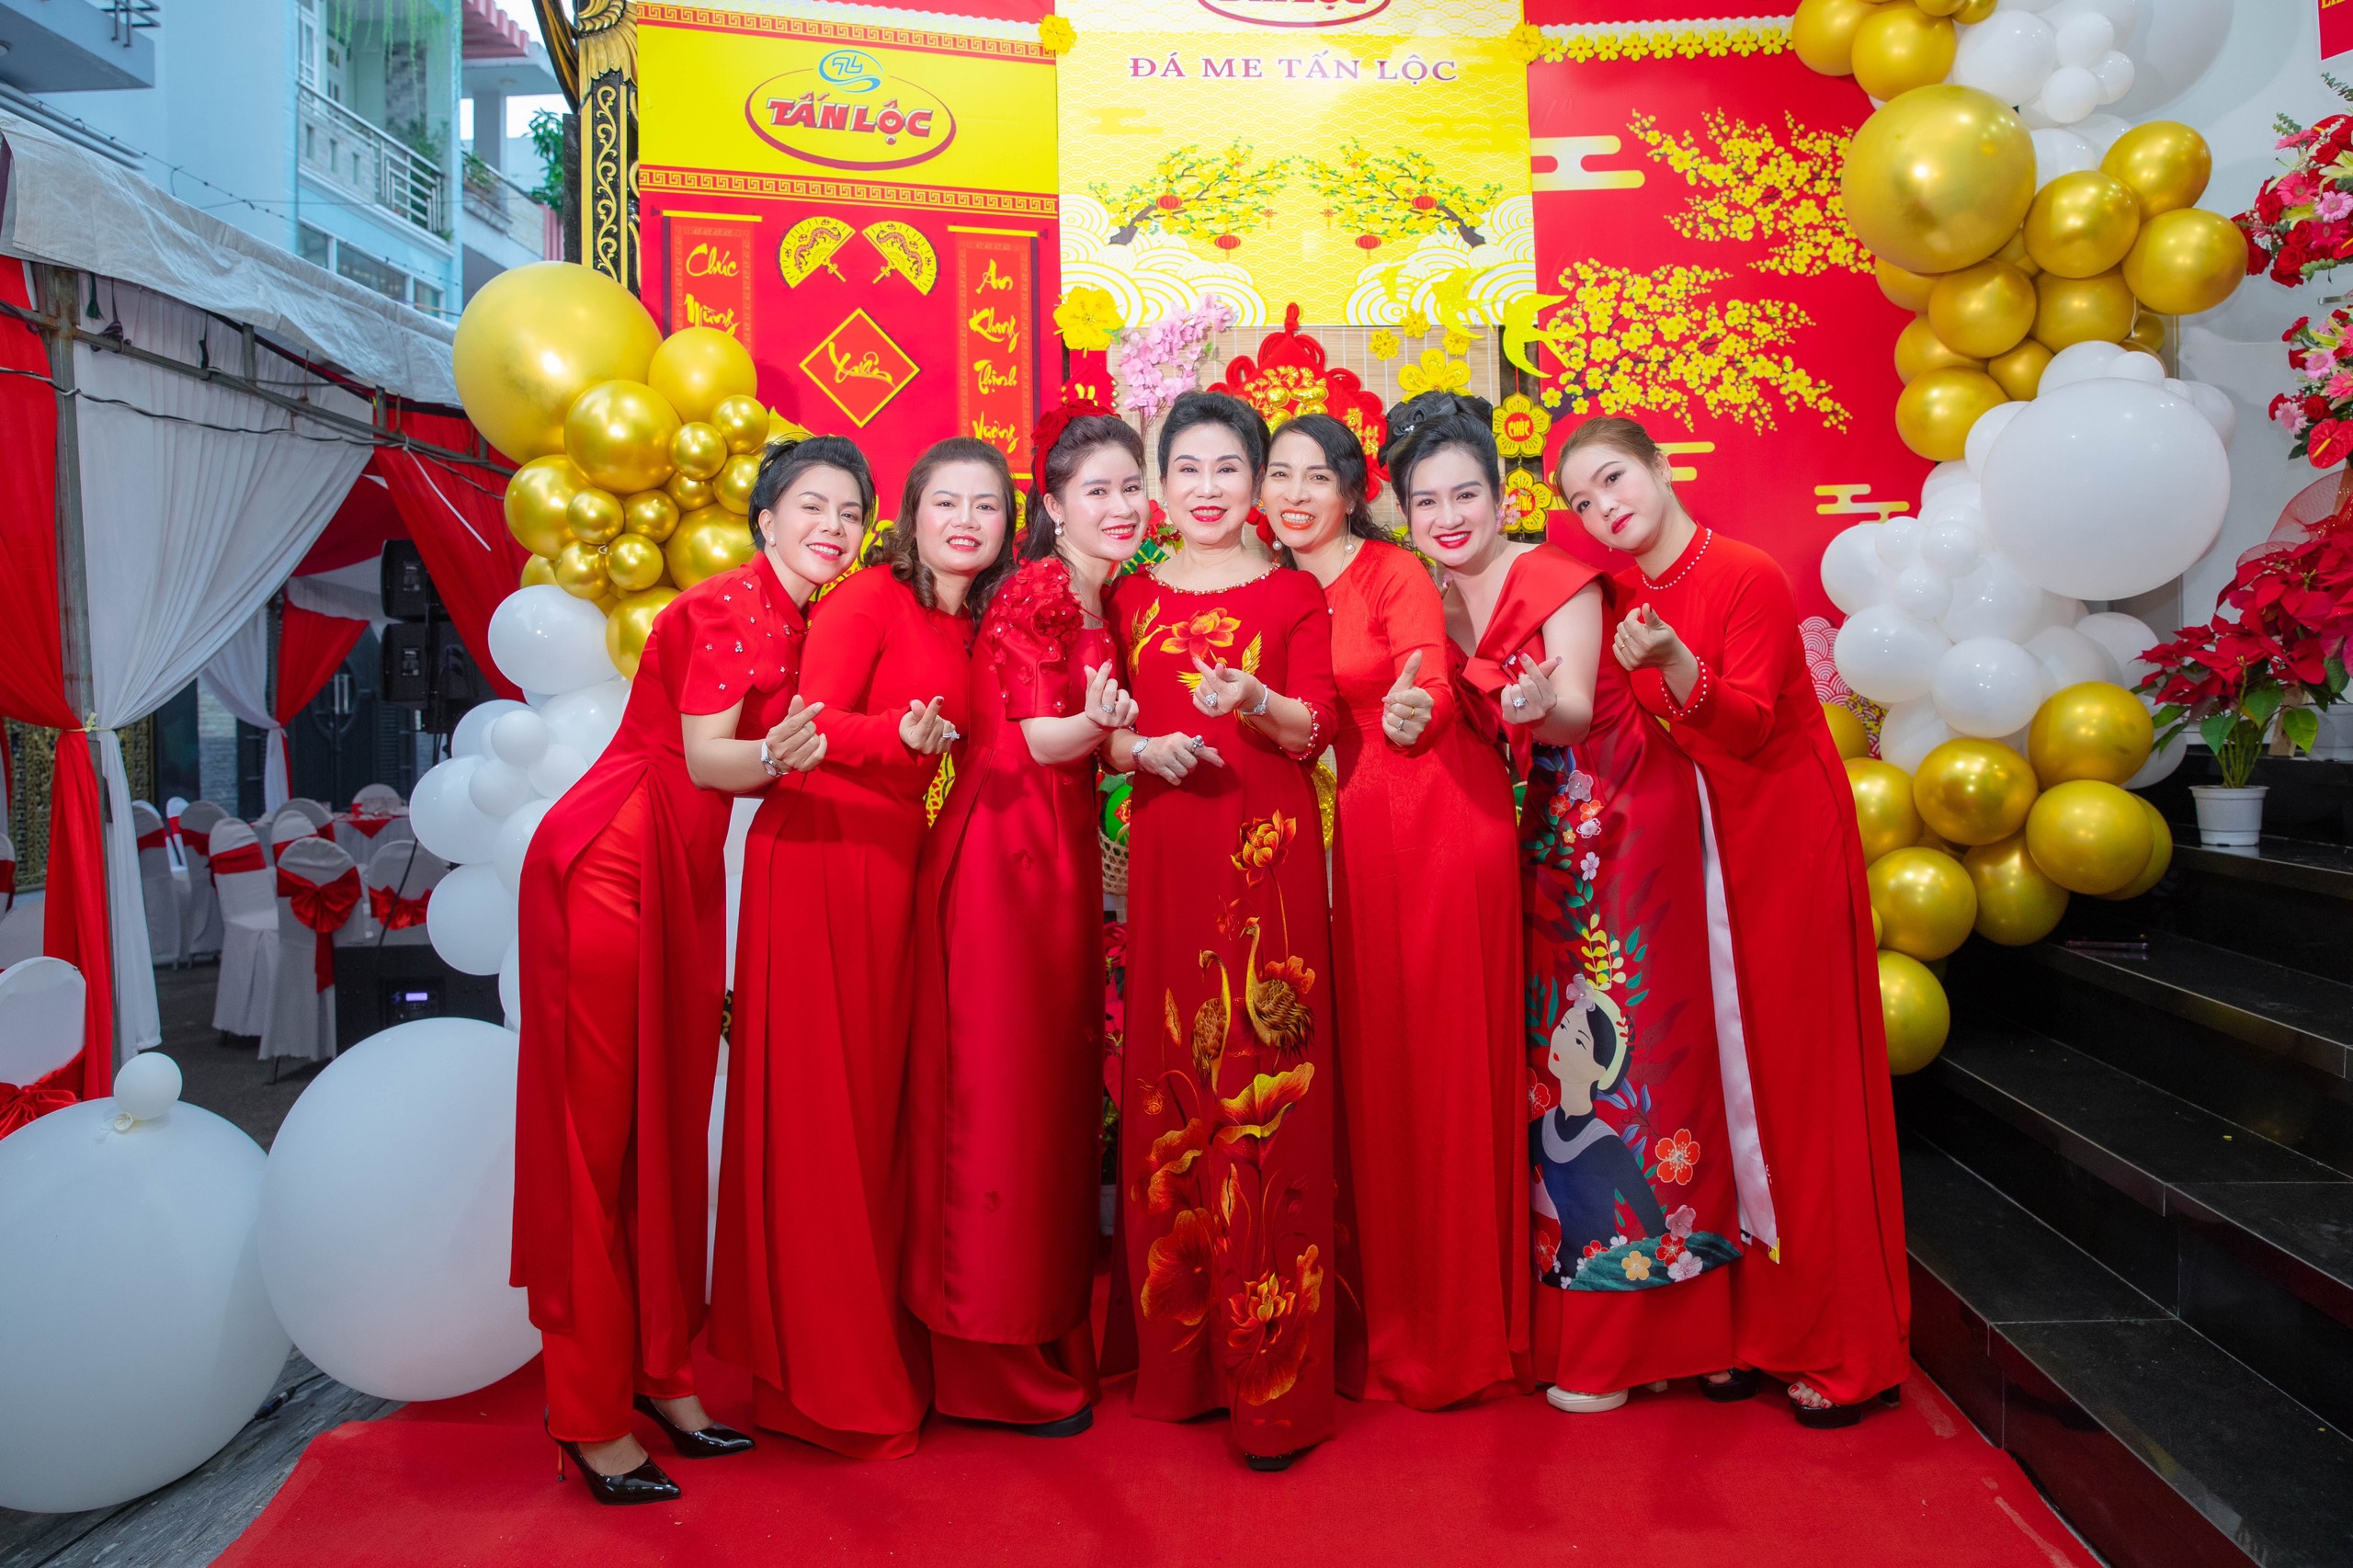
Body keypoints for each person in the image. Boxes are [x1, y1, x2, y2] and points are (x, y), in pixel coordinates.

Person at [1392, 391, 1744, 1416]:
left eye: (1466, 494)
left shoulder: (1556, 576)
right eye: (1426, 501)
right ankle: (1602, 1322)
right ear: (1404, 515)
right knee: (1565, 1075)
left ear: (1504, 500)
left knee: (1643, 1056)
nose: (1448, 515)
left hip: (1624, 827)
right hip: (1548, 842)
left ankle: (1657, 1334)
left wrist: (1537, 708)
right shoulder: (1433, 600)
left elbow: (1578, 708)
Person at [1557, 414, 1909, 1428]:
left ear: (1661, 467)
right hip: (1704, 855)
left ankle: (1849, 1347)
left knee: (1802, 1085)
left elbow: (1749, 724)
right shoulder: (1623, 597)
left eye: (1614, 478)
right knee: (1730, 1084)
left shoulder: (1744, 573)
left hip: (1782, 840)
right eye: (1582, 500)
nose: (1604, 506)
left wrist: (1675, 662)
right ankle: (1757, 1324)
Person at [514, 437, 844, 1505]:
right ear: (765, 518)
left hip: (684, 870)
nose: (832, 526)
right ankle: (586, 1414)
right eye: (811, 504)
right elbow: (709, 756)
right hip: (614, 859)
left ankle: (661, 1371)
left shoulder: (808, 618)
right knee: (597, 1140)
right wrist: (784, 755)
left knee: (665, 1133)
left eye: (850, 511)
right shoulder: (725, 606)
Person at [710, 436, 1006, 1459]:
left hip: (895, 868)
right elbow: (812, 727)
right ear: (912, 515)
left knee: (876, 1120)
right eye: (945, 501)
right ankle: (824, 1383)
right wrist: (900, 739)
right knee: (824, 1122)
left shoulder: (970, 623)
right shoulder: (868, 598)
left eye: (987, 504)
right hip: (821, 857)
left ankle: (868, 1347)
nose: (965, 519)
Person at [1260, 413, 1529, 1410]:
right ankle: (1389, 1308)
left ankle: (1455, 1328)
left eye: (1315, 477)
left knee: (1439, 1064)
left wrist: (1417, 709)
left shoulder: (1390, 571)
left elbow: (1428, 678)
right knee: (1376, 1070)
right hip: (1350, 833)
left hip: (1433, 817)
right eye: (1278, 475)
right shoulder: (1274, 587)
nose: (1295, 494)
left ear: (1351, 490)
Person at [1105, 390, 1338, 1471]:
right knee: (1173, 1081)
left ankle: (1271, 1373)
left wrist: (1253, 697)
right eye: (1186, 469)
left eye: (1226, 468)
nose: (1206, 488)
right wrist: (1136, 750)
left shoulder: (1293, 592)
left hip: (1266, 859)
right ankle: (1181, 1358)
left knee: (1264, 1083)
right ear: (1160, 486)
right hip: (1168, 853)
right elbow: (1107, 732)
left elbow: (1313, 724)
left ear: (1256, 482)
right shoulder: (1128, 594)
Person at [904, 403, 1147, 1436]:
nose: (1120, 506)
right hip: (1003, 857)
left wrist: (1136, 739)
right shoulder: (1040, 590)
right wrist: (1101, 725)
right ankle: (988, 1367)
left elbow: (1097, 741)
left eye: (1131, 487)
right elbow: (1042, 737)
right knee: (998, 1105)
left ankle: (1044, 1338)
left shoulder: (1104, 592)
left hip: (1051, 856)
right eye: (1096, 490)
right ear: (1051, 505)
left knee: (1046, 1100)